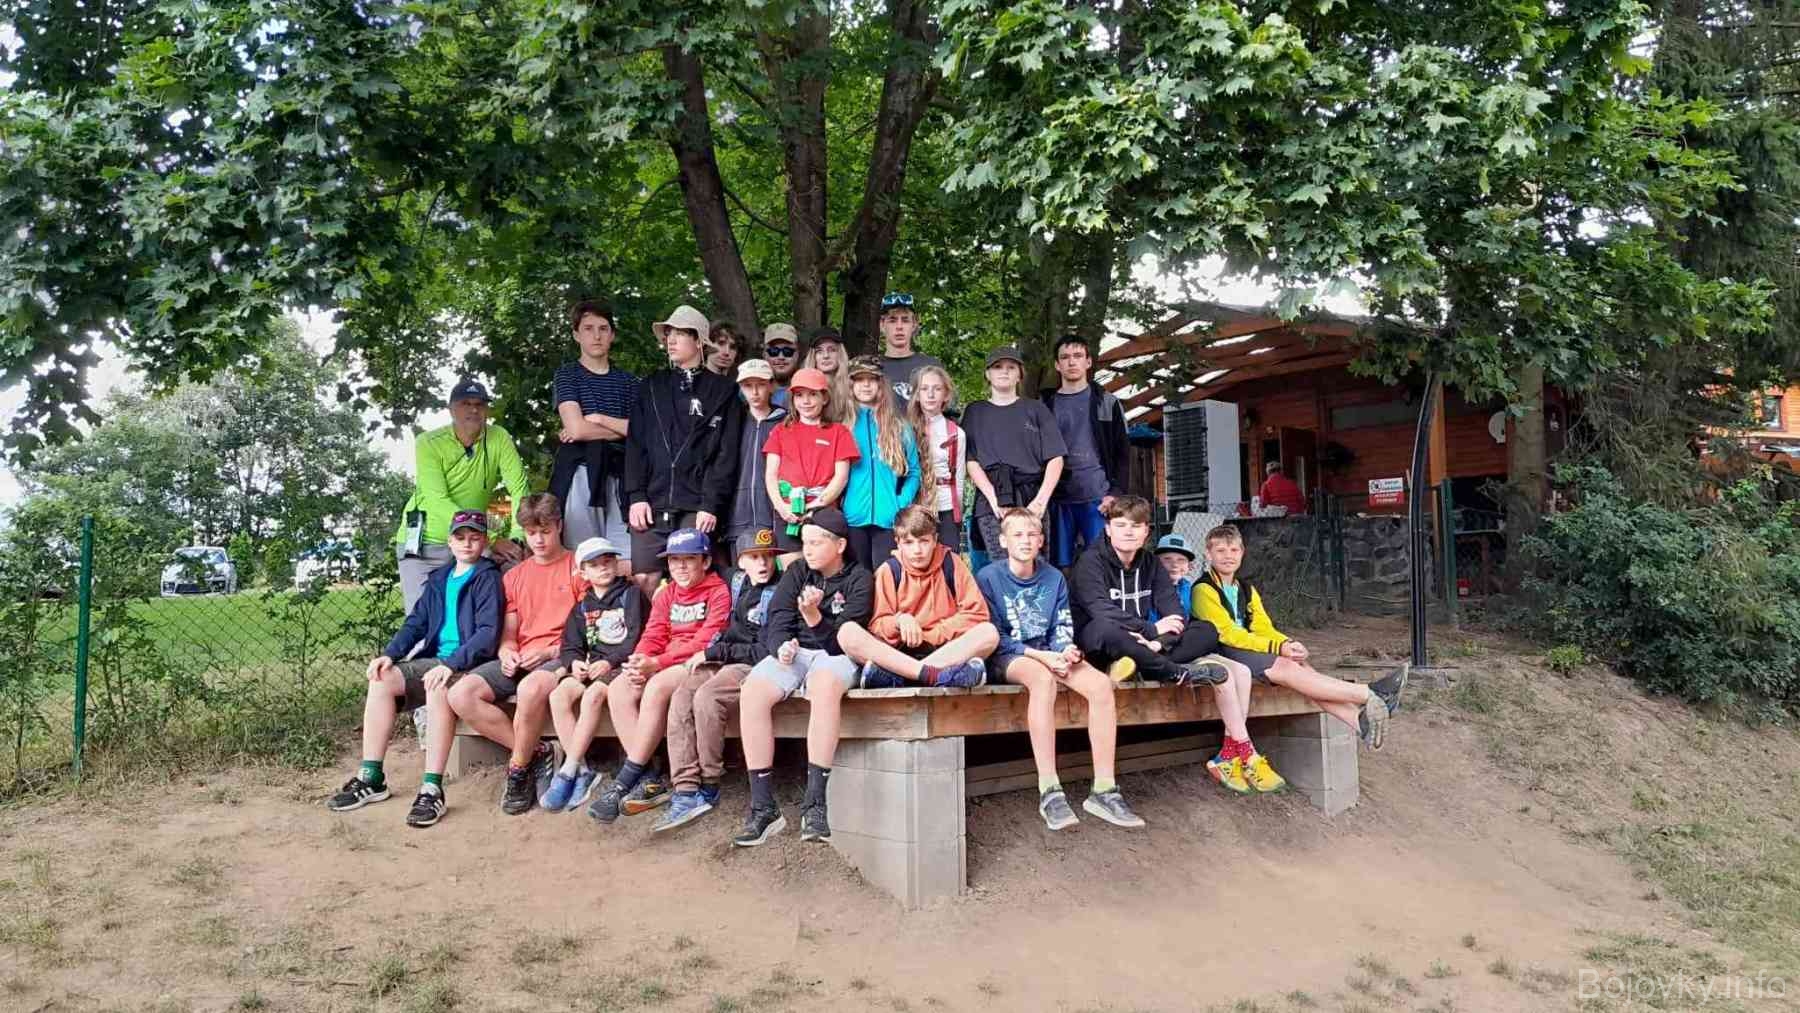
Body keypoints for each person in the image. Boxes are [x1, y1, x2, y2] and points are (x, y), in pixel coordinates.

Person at [328, 510, 503, 829]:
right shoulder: (439, 579)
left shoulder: (488, 578)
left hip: (471, 663)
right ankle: (371, 777)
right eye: (460, 537)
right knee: (381, 679)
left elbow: (487, 634)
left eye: (475, 537)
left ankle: (431, 789)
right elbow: (416, 623)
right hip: (436, 660)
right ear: (449, 542)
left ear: (485, 542)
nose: (467, 543)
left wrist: (451, 665)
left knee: (437, 688)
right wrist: (389, 654)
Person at [978, 508, 1143, 829]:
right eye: (1017, 535)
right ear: (1003, 541)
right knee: (1042, 679)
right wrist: (1043, 658)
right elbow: (995, 637)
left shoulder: (1054, 577)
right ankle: (1050, 789)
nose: (1025, 541)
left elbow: (1062, 625)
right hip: (1012, 656)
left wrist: (1065, 649)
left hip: (1051, 653)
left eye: (1032, 534)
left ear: (1041, 540)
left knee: (1100, 685)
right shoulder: (988, 577)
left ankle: (1104, 789)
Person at [1193, 524, 1407, 763]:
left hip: (1247, 648)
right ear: (1208, 554)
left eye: (1233, 550)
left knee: (1302, 667)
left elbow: (1263, 627)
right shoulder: (1203, 589)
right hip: (1221, 652)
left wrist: (1288, 643)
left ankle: (1357, 722)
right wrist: (1277, 649)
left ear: (1242, 552)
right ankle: (1369, 693)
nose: (1228, 556)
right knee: (1287, 667)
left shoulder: (1245, 589)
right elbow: (1226, 634)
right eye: (1220, 551)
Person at [733, 508, 872, 847]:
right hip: (796, 653)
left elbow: (840, 643)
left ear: (839, 545)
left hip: (835, 655)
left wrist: (812, 617)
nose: (806, 550)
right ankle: (763, 808)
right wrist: (781, 645)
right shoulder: (797, 572)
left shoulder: (860, 579)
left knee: (824, 686)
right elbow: (777, 618)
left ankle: (815, 804)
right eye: (804, 543)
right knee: (752, 690)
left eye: (815, 543)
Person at [446, 494, 585, 816]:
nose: (538, 540)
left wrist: (550, 651)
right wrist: (507, 650)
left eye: (545, 531)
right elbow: (509, 630)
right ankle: (538, 751)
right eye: (531, 532)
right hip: (522, 656)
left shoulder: (578, 568)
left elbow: (589, 628)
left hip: (562, 654)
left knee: (530, 689)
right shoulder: (515, 575)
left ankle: (518, 769)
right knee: (461, 694)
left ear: (559, 526)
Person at [588, 528, 733, 823]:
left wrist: (657, 663)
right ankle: (649, 777)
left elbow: (706, 640)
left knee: (655, 687)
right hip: (663, 660)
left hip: (696, 663)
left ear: (705, 561)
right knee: (619, 688)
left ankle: (623, 782)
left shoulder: (718, 591)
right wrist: (639, 660)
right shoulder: (666, 593)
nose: (681, 566)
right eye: (674, 560)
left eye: (689, 559)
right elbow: (654, 633)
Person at [653, 527, 782, 833]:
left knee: (707, 696)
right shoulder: (736, 582)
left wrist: (715, 650)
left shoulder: (780, 590)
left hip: (753, 663)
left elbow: (765, 649)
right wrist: (664, 586)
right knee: (682, 695)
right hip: (723, 656)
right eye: (753, 557)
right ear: (741, 562)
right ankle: (685, 789)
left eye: (768, 556)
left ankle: (709, 782)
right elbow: (692, 568)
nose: (762, 563)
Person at [623, 304, 745, 600]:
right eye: (668, 333)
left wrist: (711, 503)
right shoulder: (651, 386)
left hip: (697, 503)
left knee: (693, 576)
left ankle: (694, 631)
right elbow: (635, 445)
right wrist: (636, 496)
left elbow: (726, 455)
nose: (671, 340)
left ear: (699, 341)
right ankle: (645, 631)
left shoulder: (724, 391)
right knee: (644, 578)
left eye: (680, 333)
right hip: (652, 501)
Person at [1070, 496, 1236, 688]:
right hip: (1103, 643)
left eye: (1136, 526)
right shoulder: (1090, 562)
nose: (1128, 532)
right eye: (1120, 525)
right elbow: (1101, 611)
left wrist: (1158, 643)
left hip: (1144, 641)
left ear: (1146, 531)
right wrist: (1152, 630)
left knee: (1206, 630)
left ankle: (1137, 665)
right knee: (1104, 628)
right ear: (1108, 529)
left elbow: (1175, 613)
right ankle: (1176, 673)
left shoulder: (1151, 563)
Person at [394, 378, 529, 612]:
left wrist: (517, 538)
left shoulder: (498, 437)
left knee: (486, 608)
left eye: (480, 404)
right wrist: (491, 539)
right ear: (451, 409)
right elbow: (437, 500)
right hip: (428, 543)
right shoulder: (428, 443)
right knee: (422, 620)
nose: (474, 410)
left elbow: (519, 488)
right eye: (466, 403)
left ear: (487, 410)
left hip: (472, 543)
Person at [538, 537, 648, 812]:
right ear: (583, 573)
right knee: (558, 696)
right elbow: (570, 645)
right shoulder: (582, 606)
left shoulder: (631, 595)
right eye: (595, 565)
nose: (603, 568)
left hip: (621, 665)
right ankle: (584, 771)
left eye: (608, 561)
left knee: (593, 696)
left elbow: (637, 637)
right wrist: (574, 662)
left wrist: (610, 662)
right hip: (593, 666)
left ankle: (568, 769)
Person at [837, 504, 997, 689]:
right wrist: (899, 622)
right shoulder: (889, 570)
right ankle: (934, 675)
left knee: (988, 633)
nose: (917, 550)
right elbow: (877, 626)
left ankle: (905, 677)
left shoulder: (952, 563)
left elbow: (977, 614)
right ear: (898, 543)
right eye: (909, 542)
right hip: (899, 653)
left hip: (945, 651)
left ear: (935, 540)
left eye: (924, 541)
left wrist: (932, 633)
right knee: (847, 633)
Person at [551, 300, 639, 572]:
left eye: (603, 328)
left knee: (627, 560)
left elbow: (642, 432)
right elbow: (576, 429)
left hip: (624, 475)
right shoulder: (568, 375)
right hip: (582, 472)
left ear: (612, 335)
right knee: (584, 559)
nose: (596, 335)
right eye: (588, 328)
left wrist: (598, 419)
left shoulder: (629, 382)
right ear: (576, 334)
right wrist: (622, 429)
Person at [962, 347, 1066, 563]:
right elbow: (971, 460)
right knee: (1000, 564)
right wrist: (993, 498)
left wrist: (1040, 501)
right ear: (987, 374)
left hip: (1032, 495)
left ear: (1020, 374)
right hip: (992, 498)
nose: (1004, 371)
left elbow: (1056, 457)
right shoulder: (974, 411)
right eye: (997, 367)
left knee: (1036, 563)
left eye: (1011, 367)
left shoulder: (1036, 409)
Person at [1042, 336, 1129, 568]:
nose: (1072, 362)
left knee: (1101, 564)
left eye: (1078, 356)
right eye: (1065, 357)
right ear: (1057, 365)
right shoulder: (1045, 406)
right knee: (1059, 566)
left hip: (1097, 498)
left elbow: (1123, 453)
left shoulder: (1107, 403)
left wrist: (1115, 493)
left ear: (1088, 362)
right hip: (1057, 499)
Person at [762, 367, 857, 558]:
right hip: (788, 512)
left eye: (813, 394)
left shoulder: (839, 432)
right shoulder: (780, 431)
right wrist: (781, 507)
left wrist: (815, 506)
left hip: (823, 512)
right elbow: (771, 474)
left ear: (825, 398)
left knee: (822, 564)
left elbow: (841, 477)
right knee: (790, 565)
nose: (805, 401)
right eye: (799, 395)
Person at [843, 355, 921, 568]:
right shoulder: (843, 425)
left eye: (872, 379)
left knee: (886, 576)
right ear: (851, 385)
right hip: (853, 518)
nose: (866, 385)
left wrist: (900, 503)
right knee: (858, 577)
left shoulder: (899, 425)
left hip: (888, 519)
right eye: (860, 379)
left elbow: (914, 471)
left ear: (881, 383)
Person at [725, 359, 789, 559]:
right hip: (737, 515)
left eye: (760, 384)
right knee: (741, 570)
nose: (754, 392)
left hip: (774, 514)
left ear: (771, 386)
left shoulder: (787, 422)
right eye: (747, 386)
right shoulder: (733, 421)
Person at [907, 364, 967, 550]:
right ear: (917, 395)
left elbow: (959, 477)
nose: (931, 394)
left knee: (947, 557)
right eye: (924, 389)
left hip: (945, 505)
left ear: (946, 395)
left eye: (937, 389)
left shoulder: (955, 433)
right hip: (914, 503)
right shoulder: (905, 429)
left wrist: (958, 512)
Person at [875, 292, 945, 406]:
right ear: (882, 325)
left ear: (914, 324)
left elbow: (947, 411)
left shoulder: (932, 366)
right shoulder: (870, 368)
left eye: (905, 320)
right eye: (892, 320)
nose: (899, 327)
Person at [800, 326, 855, 424]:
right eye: (819, 351)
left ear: (840, 353)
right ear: (813, 356)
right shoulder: (801, 388)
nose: (826, 356)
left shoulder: (854, 386)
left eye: (832, 350)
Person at [1154, 533, 1197, 618]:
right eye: (1167, 559)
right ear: (1156, 562)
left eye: (1181, 560)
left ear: (1189, 566)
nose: (1175, 565)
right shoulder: (1148, 589)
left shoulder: (1187, 587)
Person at [764, 322, 801, 408]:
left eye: (787, 351)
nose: (781, 357)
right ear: (765, 355)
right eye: (774, 351)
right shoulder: (748, 392)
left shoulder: (810, 390)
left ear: (797, 354)